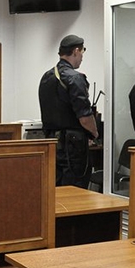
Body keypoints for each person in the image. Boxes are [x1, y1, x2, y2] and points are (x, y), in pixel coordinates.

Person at [38, 34, 99, 188]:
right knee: (75, 189)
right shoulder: (75, 78)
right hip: (73, 146)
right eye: (82, 52)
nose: (82, 57)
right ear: (76, 51)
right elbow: (84, 117)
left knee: (55, 188)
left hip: (51, 142)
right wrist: (94, 133)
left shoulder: (46, 77)